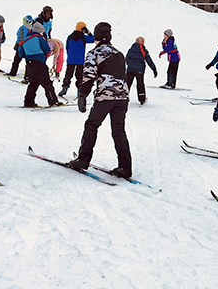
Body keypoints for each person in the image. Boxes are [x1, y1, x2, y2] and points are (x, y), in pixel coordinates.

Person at [68, 22, 133, 179]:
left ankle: (83, 160)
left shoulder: (95, 53)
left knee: (92, 125)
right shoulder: (119, 53)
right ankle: (125, 167)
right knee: (119, 131)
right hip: (122, 96)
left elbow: (89, 76)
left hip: (105, 96)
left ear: (96, 37)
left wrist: (82, 95)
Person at [18, 22, 60, 108]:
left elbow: (21, 54)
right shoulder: (38, 38)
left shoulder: (25, 39)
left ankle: (28, 102)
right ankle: (53, 101)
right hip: (39, 63)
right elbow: (47, 49)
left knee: (33, 83)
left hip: (29, 64)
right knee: (46, 83)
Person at [59, 22, 95, 97]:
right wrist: (89, 33)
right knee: (79, 76)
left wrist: (70, 55)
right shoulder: (83, 38)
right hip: (80, 60)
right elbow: (93, 39)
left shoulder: (70, 37)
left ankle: (65, 87)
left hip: (70, 60)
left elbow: (67, 47)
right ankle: (79, 90)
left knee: (68, 75)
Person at [125, 36, 158, 105]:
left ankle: (124, 97)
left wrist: (130, 65)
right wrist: (154, 69)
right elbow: (149, 60)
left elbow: (126, 58)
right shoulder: (143, 50)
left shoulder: (131, 49)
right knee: (140, 84)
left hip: (130, 69)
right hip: (140, 70)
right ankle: (142, 99)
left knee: (127, 84)